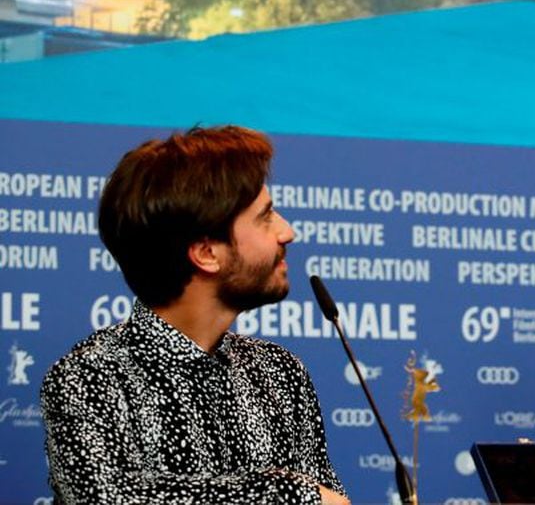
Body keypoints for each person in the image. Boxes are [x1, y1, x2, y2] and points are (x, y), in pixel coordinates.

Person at [41, 126, 349, 505]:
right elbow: (108, 499)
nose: (288, 232)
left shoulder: (281, 372)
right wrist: (288, 493)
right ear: (206, 253)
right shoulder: (88, 377)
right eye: (266, 217)